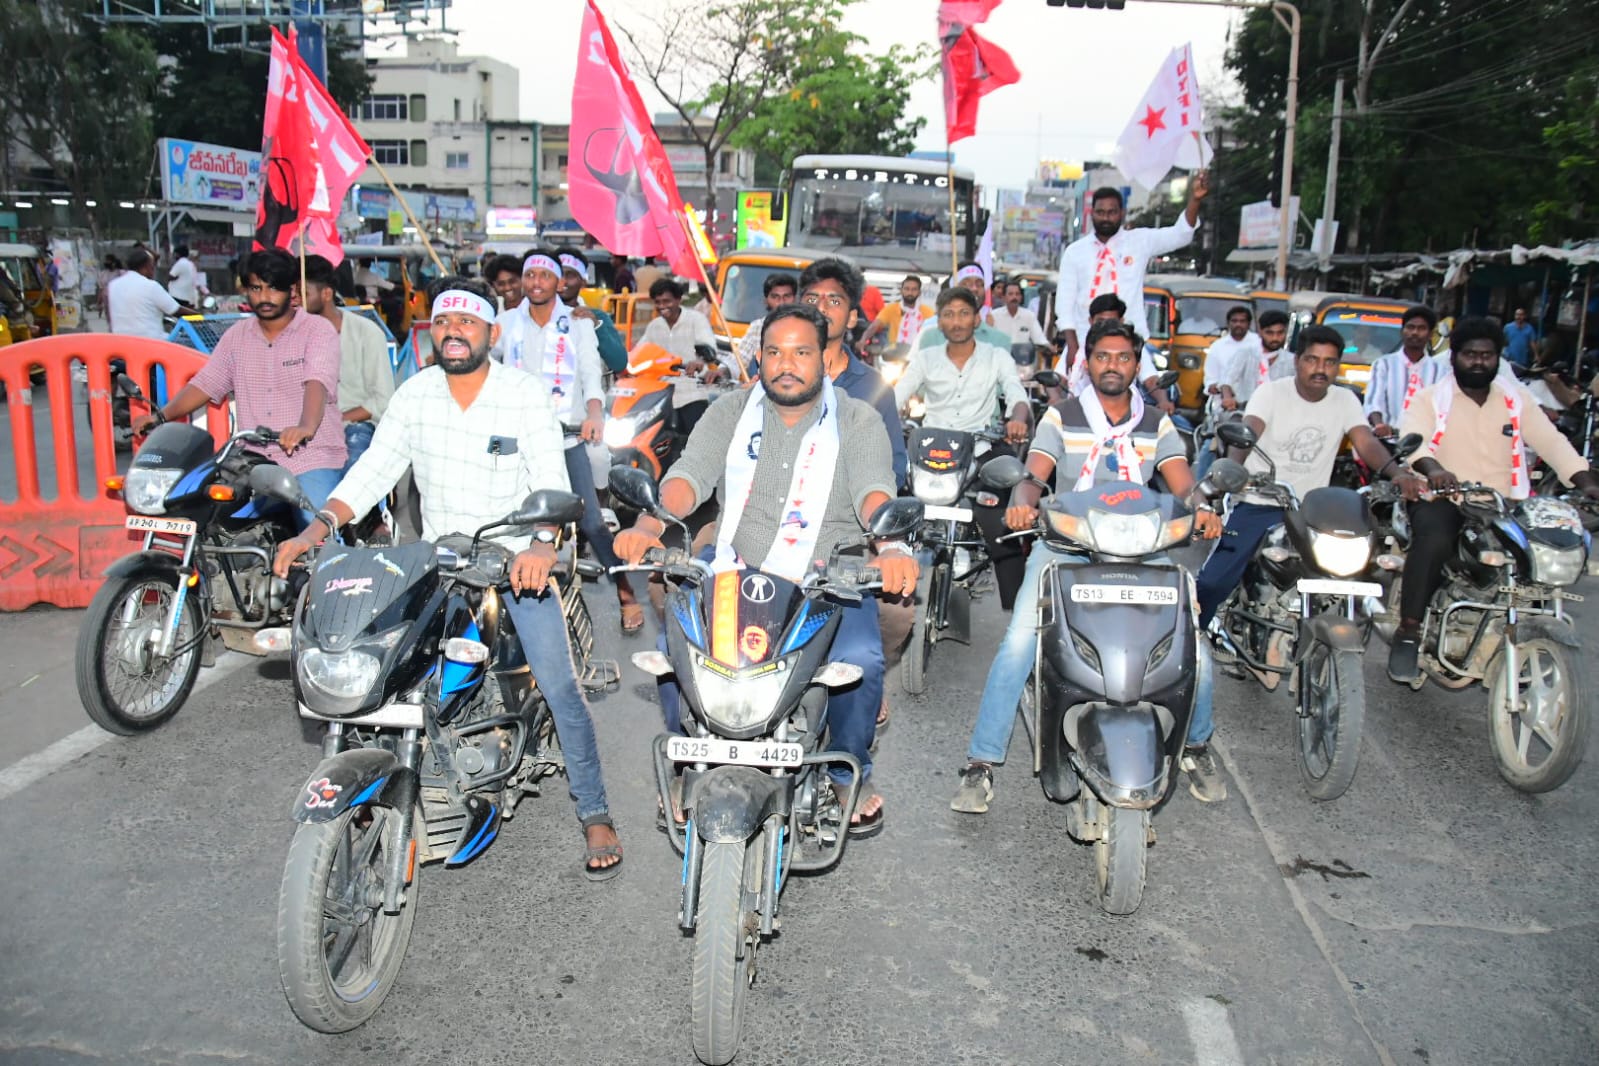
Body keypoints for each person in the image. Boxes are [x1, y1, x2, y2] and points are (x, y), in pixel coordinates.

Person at [271, 276, 623, 881]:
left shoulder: (523, 395)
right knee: (389, 670)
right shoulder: (416, 394)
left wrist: (540, 546)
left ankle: (594, 811)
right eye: (443, 323)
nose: (453, 332)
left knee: (561, 688)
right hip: (436, 563)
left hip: (513, 563)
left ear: (491, 332)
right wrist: (317, 527)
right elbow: (374, 470)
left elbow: (552, 482)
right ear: (431, 332)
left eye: (466, 323)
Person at [614, 304, 917, 835]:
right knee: (674, 651)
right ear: (758, 358)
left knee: (861, 661)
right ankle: (690, 760)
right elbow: (689, 475)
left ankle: (848, 770)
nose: (787, 364)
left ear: (826, 358)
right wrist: (649, 522)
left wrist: (890, 544)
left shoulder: (857, 419)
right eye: (774, 352)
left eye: (802, 352)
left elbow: (875, 489)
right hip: (734, 562)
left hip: (828, 575)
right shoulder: (730, 410)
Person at [950, 320, 1223, 813]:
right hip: (1066, 546)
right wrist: (1022, 500)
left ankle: (1198, 747)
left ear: (1137, 366)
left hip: (1144, 549)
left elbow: (1182, 483)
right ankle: (981, 763)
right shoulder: (1060, 416)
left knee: (1194, 646)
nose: (1112, 366)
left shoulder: (1155, 423)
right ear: (1087, 362)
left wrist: (1202, 505)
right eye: (1102, 357)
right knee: (1018, 644)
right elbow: (1034, 475)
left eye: (1122, 358)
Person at [1189, 325, 1409, 799]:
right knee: (1211, 581)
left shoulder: (1346, 401)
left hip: (1315, 506)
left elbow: (1365, 442)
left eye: (1330, 362)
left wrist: (1394, 471)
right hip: (1260, 497)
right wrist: (1229, 473)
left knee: (1364, 561)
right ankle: (1187, 652)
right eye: (1313, 360)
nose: (1321, 370)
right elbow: (1245, 440)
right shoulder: (1271, 393)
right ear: (1298, 359)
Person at [1388, 316, 1599, 682]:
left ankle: (1529, 624)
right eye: (1470, 354)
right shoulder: (1430, 398)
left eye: (1487, 355)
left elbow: (1552, 444)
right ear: (1454, 357)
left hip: (1504, 504)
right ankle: (1408, 630)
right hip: (1444, 499)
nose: (1478, 362)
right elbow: (1415, 441)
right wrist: (1435, 470)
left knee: (1543, 552)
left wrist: (1588, 483)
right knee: (1435, 540)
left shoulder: (1517, 400)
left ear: (1498, 358)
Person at [131, 249, 346, 518]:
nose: (264, 297)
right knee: (213, 522)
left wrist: (306, 427)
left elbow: (318, 381)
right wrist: (161, 416)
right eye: (256, 288)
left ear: (292, 290)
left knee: (316, 529)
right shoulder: (236, 337)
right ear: (246, 290)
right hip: (253, 460)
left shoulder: (317, 330)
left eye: (273, 288)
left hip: (311, 456)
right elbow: (207, 383)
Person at [501, 249, 643, 633]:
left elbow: (590, 375)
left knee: (595, 524)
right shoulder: (505, 323)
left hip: (567, 437)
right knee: (505, 520)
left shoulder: (577, 322)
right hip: (518, 439)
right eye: (529, 275)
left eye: (544, 276)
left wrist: (594, 414)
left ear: (557, 282)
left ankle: (626, 593)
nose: (536, 283)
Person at [894, 286, 1032, 610]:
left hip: (980, 444)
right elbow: (897, 396)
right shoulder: (925, 359)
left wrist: (1018, 418)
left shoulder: (997, 356)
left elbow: (1016, 394)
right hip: (930, 447)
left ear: (976, 319)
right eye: (949, 314)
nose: (956, 321)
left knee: (998, 517)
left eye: (963, 314)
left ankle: (1019, 614)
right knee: (892, 499)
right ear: (938, 322)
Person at [1055, 175, 1209, 367]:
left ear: (1122, 213)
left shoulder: (1139, 241)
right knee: (1061, 391)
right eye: (1100, 212)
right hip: (1084, 342)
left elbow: (1180, 235)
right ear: (1092, 213)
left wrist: (1194, 199)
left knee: (1152, 391)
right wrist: (1072, 347)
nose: (1105, 217)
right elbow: (1064, 305)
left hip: (1131, 342)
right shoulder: (1074, 252)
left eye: (1111, 212)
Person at [301, 255, 395, 474]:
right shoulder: (289, 337)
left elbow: (382, 401)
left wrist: (336, 419)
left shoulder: (367, 333)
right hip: (301, 432)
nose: (296, 301)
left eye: (303, 294)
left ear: (326, 294)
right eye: (293, 294)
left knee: (352, 474)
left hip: (353, 428)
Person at [1364, 305, 1447, 436]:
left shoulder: (1440, 371)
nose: (1415, 332)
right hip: (1388, 440)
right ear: (1402, 331)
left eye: (1421, 328)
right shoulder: (1383, 364)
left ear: (1430, 334)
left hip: (1425, 442)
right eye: (1410, 327)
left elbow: (1442, 408)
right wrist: (1379, 424)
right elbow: (1374, 401)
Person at [557, 248, 629, 373]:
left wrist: (596, 326)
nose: (563, 281)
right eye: (559, 275)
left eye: (570, 275)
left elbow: (619, 363)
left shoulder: (597, 317)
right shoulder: (538, 315)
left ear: (583, 281)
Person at [916, 261, 1013, 351]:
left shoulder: (1000, 340)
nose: (974, 289)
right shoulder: (930, 333)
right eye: (966, 284)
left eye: (980, 284)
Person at [637, 276, 722, 375]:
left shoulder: (697, 320)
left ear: (678, 300)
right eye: (657, 302)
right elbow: (640, 351)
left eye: (666, 301)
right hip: (662, 380)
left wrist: (699, 361)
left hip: (694, 381)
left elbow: (709, 348)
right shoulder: (654, 326)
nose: (662, 306)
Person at [105, 248, 179, 341]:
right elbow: (176, 310)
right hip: (152, 343)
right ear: (146, 267)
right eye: (152, 267)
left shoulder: (113, 285)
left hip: (122, 342)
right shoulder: (150, 286)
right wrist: (200, 316)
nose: (153, 271)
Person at [735, 271, 798, 375]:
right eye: (775, 297)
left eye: (786, 296)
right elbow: (740, 358)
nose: (781, 302)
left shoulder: (806, 328)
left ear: (795, 299)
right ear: (766, 301)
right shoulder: (757, 327)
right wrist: (723, 370)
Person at [1202, 306, 1262, 415]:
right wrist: (1220, 388)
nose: (1238, 324)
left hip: (1254, 405)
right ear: (1228, 323)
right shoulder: (1217, 346)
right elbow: (1210, 379)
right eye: (1234, 321)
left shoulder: (1258, 344)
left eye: (1242, 321)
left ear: (1249, 324)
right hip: (1222, 407)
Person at [860, 275, 934, 354]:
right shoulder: (891, 309)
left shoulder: (928, 312)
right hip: (894, 356)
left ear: (919, 293)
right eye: (907, 289)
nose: (910, 292)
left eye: (914, 289)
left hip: (919, 356)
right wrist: (863, 340)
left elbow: (935, 332)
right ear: (901, 291)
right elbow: (875, 325)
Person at [989, 280, 1052, 361]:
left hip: (1022, 362)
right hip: (998, 360)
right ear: (1004, 297)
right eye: (1010, 294)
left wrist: (1049, 347)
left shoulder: (1029, 316)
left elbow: (1039, 338)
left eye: (1017, 294)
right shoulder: (993, 315)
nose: (1014, 297)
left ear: (1021, 297)